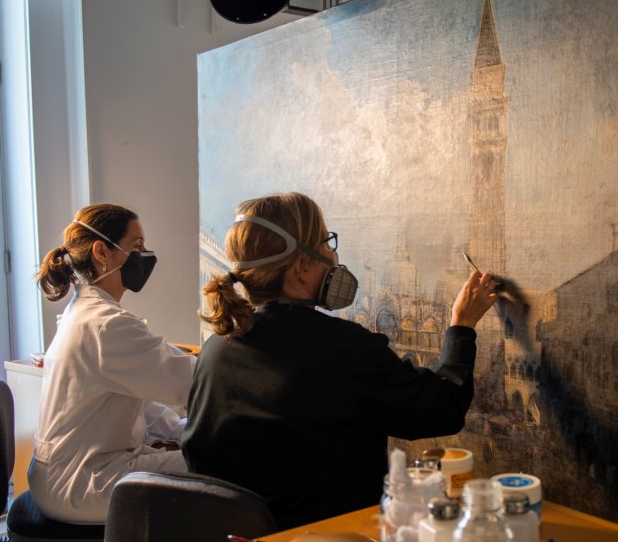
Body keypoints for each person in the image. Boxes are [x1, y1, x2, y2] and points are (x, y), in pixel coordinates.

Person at [182, 192, 497, 529]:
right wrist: (461, 327)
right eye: (325, 242)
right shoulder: (341, 347)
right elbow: (441, 409)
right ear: (301, 266)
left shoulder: (217, 347)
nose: (332, 256)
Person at [30, 203, 196, 524]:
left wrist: (179, 432)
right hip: (81, 484)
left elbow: (142, 403)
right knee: (219, 464)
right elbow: (190, 383)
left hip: (64, 474)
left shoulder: (82, 312)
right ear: (102, 252)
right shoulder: (106, 324)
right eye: (137, 246)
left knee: (195, 454)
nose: (145, 255)